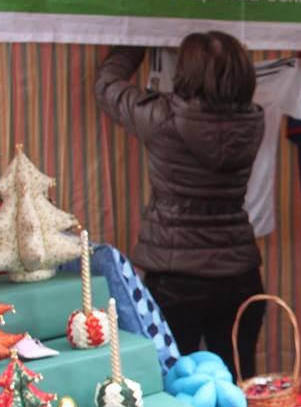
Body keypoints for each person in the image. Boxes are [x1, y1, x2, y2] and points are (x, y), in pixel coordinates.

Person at [95, 33, 267, 379]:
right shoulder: (253, 121)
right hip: (240, 276)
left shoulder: (161, 118)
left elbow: (107, 85)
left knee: (177, 386)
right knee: (238, 384)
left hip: (176, 278)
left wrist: (136, 33)